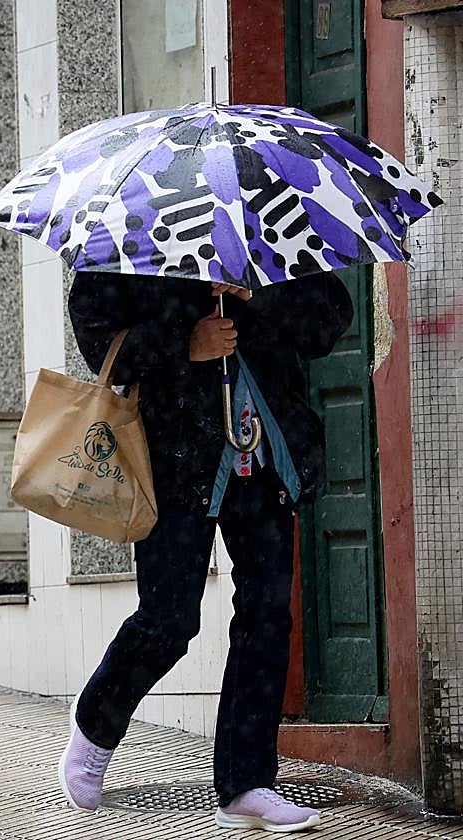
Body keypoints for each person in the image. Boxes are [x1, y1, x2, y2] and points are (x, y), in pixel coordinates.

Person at [61, 269, 353, 833]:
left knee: (267, 619)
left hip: (266, 460)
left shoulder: (273, 227)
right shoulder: (140, 240)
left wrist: (258, 296)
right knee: (168, 620)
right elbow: (100, 342)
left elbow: (327, 321)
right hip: (173, 462)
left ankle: (246, 783)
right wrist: (183, 343)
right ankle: (96, 725)